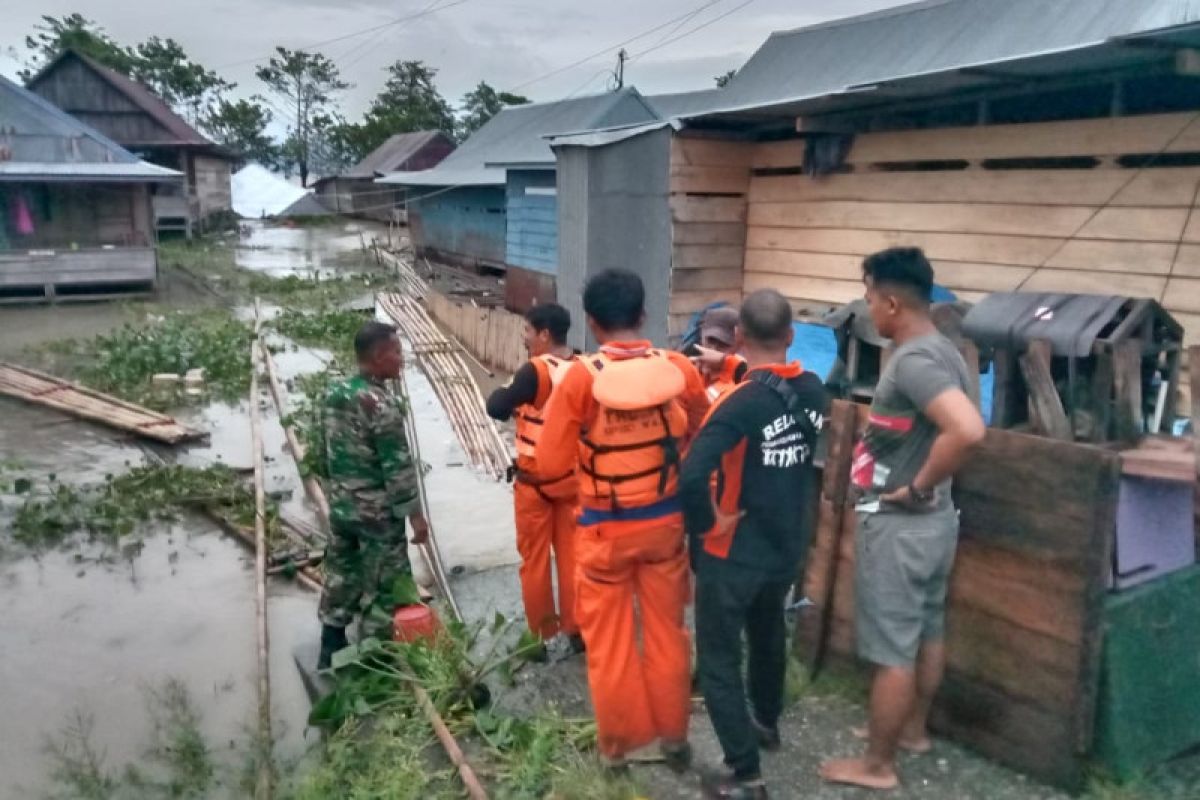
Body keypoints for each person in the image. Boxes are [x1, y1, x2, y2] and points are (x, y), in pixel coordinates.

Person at [820, 247, 985, 791]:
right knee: (927, 630)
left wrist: (916, 486)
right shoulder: (945, 350)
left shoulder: (914, 362)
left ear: (891, 303)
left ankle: (877, 765)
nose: (868, 309)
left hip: (903, 525)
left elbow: (967, 430)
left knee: (892, 650)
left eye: (869, 299)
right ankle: (911, 731)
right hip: (935, 524)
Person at [536, 269, 710, 769]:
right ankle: (674, 740)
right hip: (665, 529)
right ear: (643, 314)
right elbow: (702, 428)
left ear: (591, 322)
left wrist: (590, 479)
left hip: (604, 531)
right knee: (668, 633)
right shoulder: (679, 368)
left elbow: (548, 464)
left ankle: (617, 748)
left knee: (609, 642)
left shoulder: (581, 379)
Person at [681, 289, 829, 800]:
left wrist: (708, 524)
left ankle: (744, 776)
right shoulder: (813, 391)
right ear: (791, 335)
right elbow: (771, 380)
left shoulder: (737, 404)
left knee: (719, 658)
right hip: (784, 545)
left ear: (740, 335)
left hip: (733, 553)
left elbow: (691, 475)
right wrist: (731, 363)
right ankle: (765, 722)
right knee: (767, 634)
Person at [316, 321, 430, 669]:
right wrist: (416, 517)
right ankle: (376, 662)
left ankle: (330, 648)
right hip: (377, 517)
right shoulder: (382, 405)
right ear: (379, 357)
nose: (401, 359)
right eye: (396, 352)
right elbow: (398, 470)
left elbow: (322, 454)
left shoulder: (333, 395)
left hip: (342, 508)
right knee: (387, 586)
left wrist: (341, 492)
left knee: (341, 574)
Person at [485, 303, 582, 652]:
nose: (524, 338)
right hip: (572, 483)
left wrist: (509, 388)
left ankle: (540, 637)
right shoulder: (583, 367)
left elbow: (496, 407)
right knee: (573, 558)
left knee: (535, 562)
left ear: (544, 334)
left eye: (527, 331)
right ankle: (577, 631)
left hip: (535, 484)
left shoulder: (535, 371)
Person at [694, 306, 745, 402]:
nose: (713, 350)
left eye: (723, 344)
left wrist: (725, 361)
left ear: (739, 343)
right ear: (701, 336)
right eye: (711, 341)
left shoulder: (745, 374)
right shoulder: (689, 365)